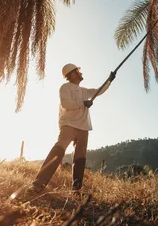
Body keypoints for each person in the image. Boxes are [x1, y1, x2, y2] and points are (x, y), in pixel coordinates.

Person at [30, 63, 116, 194]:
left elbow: (99, 91)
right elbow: (66, 103)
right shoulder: (65, 88)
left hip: (83, 128)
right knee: (59, 149)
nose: (81, 73)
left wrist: (109, 80)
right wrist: (83, 103)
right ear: (73, 74)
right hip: (68, 125)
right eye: (78, 71)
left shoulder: (84, 91)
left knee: (80, 158)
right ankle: (38, 184)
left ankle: (77, 190)